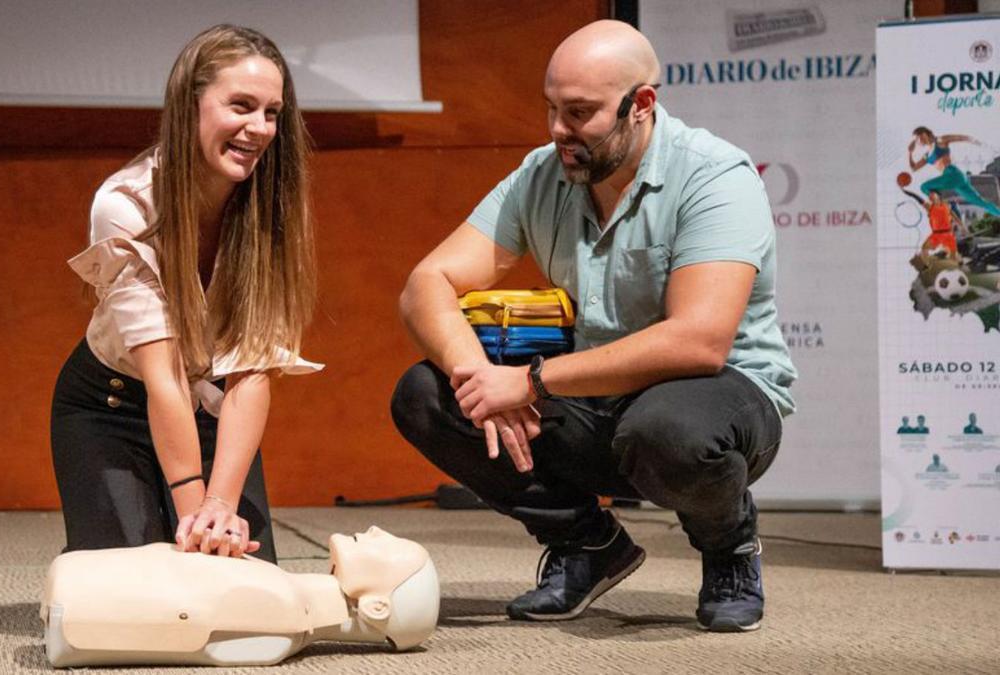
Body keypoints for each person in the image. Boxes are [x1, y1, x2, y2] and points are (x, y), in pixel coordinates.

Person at [391, 21, 796, 633]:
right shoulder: (543, 174)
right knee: (429, 396)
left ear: (641, 105)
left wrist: (528, 383)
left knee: (667, 430)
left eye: (579, 113)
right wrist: (477, 376)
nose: (558, 130)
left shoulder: (715, 176)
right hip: (594, 401)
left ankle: (728, 542)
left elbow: (699, 341)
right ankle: (587, 545)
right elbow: (427, 284)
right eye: (552, 109)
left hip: (719, 403)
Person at [50, 25, 319, 564]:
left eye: (272, 113)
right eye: (240, 106)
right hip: (111, 406)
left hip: (211, 411)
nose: (259, 128)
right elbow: (165, 376)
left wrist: (220, 503)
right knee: (140, 597)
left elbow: (252, 369)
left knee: (243, 597)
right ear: (190, 104)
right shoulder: (125, 204)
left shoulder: (273, 205)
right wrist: (197, 525)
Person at [41, 527, 439, 667]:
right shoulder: (283, 599)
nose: (375, 530)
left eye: (389, 547)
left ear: (377, 607)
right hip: (76, 590)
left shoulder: (284, 612)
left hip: (76, 603)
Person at [907, 127, 1000, 217]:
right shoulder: (926, 155)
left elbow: (961, 137)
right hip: (957, 180)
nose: (918, 141)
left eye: (918, 138)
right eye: (916, 140)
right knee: (981, 202)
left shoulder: (940, 141)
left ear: (924, 134)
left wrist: (980, 143)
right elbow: (913, 168)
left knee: (924, 187)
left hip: (952, 173)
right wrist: (910, 152)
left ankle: (940, 208)